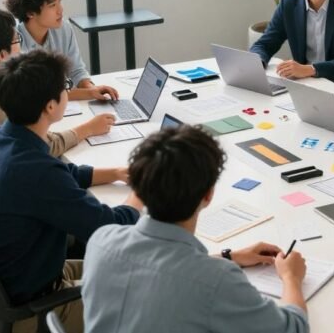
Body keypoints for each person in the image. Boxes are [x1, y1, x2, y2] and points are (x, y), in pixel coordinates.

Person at [0, 50, 142, 333]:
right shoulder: (35, 171)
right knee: (149, 298)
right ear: (49, 107)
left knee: (138, 270)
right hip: (31, 309)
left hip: (9, 282)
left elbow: (62, 176)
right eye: (65, 88)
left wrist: (116, 173)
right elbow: (111, 227)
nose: (67, 92)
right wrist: (142, 193)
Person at [83, 125, 309, 333]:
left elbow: (158, 267)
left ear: (138, 191)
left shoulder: (102, 240)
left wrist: (228, 257)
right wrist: (291, 277)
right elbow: (293, 328)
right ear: (208, 195)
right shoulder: (217, 281)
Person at [0, 9, 115, 192]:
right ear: (2, 55)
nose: (20, 49)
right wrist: (89, 128)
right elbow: (44, 147)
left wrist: (88, 92)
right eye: (17, 41)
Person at [5, 0, 118, 101]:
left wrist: (91, 87)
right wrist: (89, 93)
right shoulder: (13, 40)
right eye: (52, 5)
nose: (61, 10)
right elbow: (37, 93)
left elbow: (76, 70)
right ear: (30, 12)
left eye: (59, 2)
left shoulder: (64, 28)